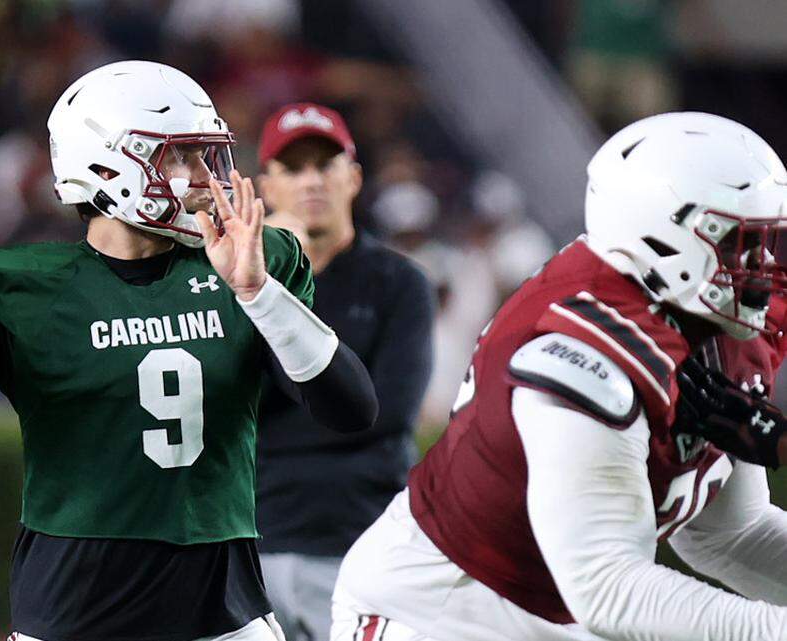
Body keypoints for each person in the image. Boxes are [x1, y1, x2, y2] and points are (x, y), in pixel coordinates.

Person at [0, 61, 378, 641]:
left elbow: (351, 409)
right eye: (179, 156)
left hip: (225, 614)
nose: (202, 177)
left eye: (203, 155)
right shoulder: (23, 286)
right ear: (110, 166)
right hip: (73, 613)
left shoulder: (252, 260)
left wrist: (258, 294)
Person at [331, 111, 787, 641]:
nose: (763, 265)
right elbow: (607, 588)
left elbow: (732, 533)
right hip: (440, 612)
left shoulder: (709, 326)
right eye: (738, 243)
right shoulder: (581, 353)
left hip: (559, 615)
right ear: (666, 238)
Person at [251, 102, 433, 641]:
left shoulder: (399, 282)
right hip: (251, 543)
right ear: (267, 187)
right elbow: (228, 406)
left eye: (325, 165)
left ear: (353, 178)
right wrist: (272, 280)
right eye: (294, 168)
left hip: (360, 544)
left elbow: (386, 412)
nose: (312, 181)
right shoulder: (241, 284)